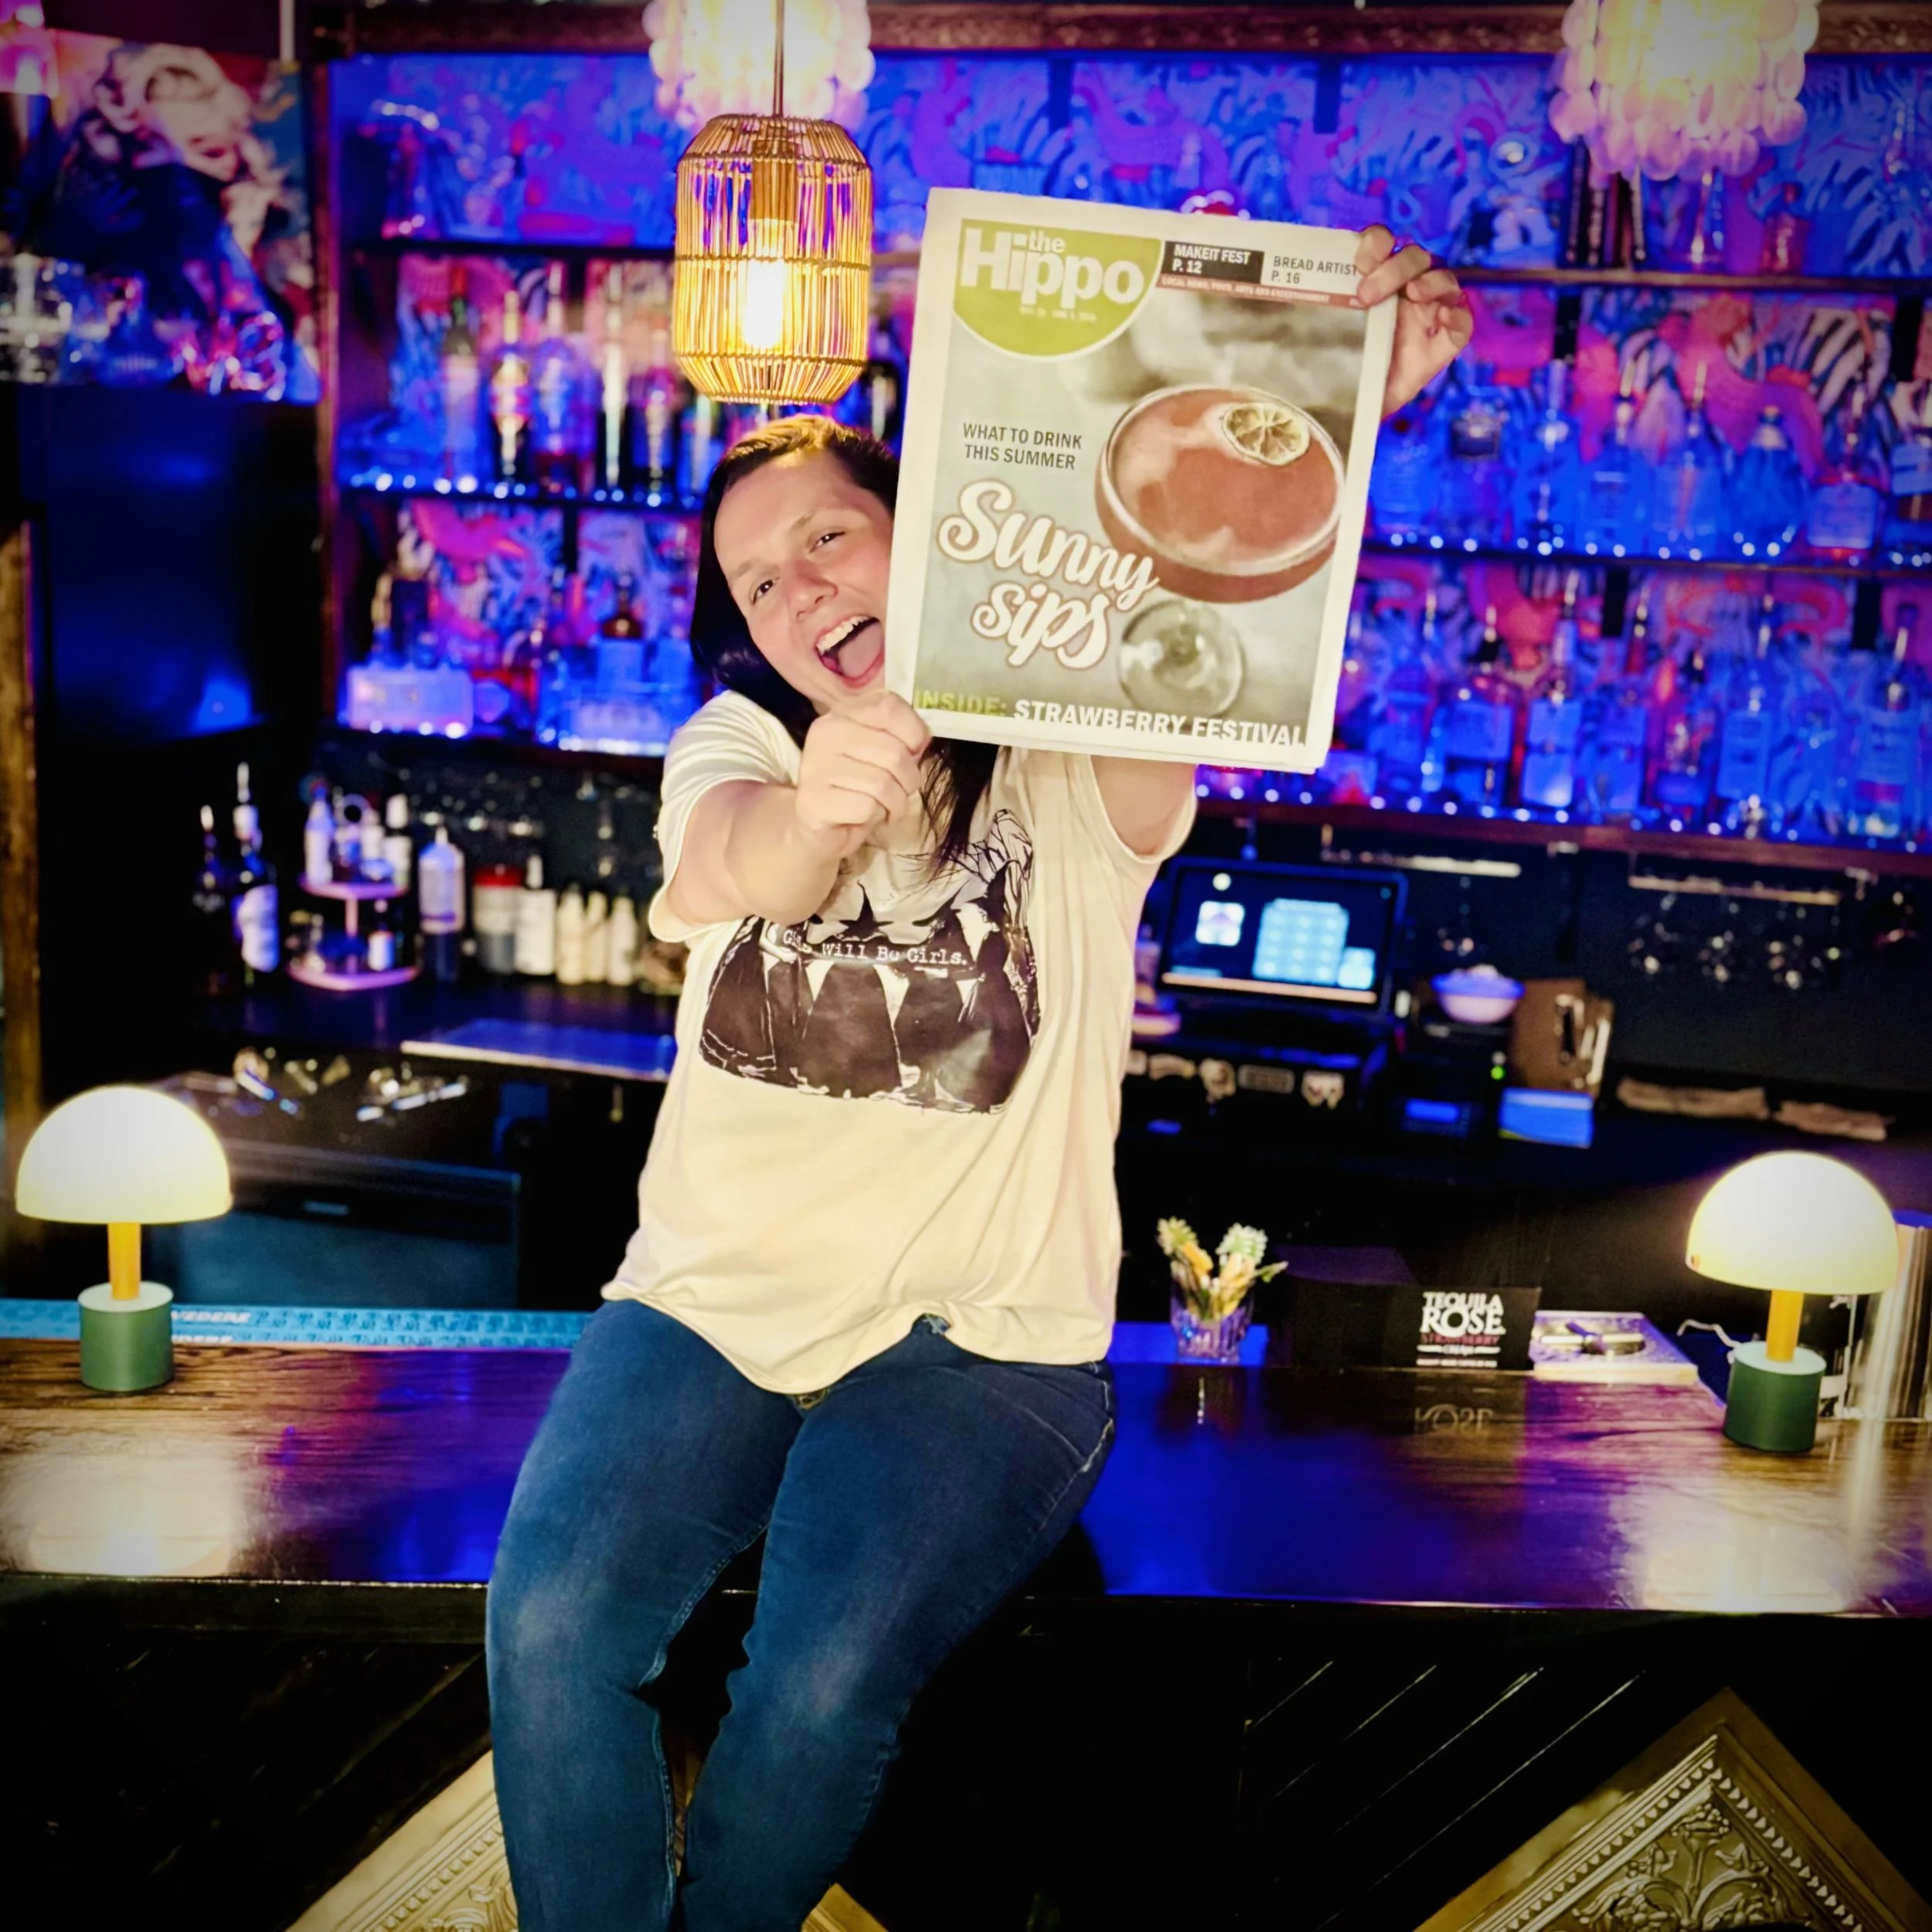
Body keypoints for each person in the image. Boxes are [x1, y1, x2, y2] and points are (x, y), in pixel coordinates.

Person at [487, 226, 1471, 1931]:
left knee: (805, 1688)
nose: (797, 592)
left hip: (978, 1344)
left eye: (827, 538)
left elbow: (1210, 596)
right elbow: (747, 860)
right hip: (709, 1301)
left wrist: (1340, 412)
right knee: (549, 1620)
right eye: (757, 585)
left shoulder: (1079, 765)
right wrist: (820, 808)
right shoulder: (737, 749)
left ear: (922, 533)